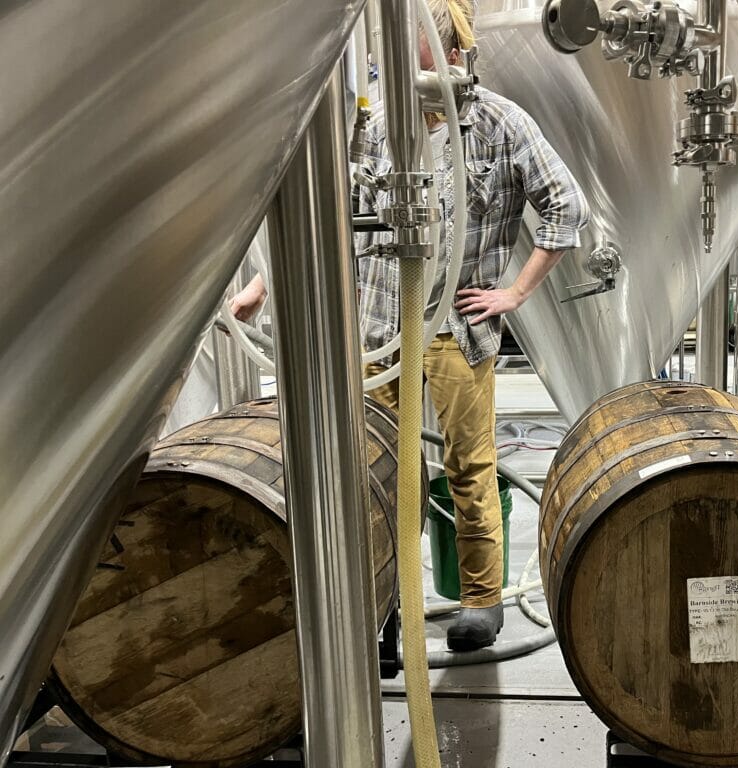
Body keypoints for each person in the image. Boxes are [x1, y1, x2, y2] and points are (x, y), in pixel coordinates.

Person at [233, 0, 589, 652]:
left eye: (410, 36)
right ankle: (384, 603)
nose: (395, 48)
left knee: (467, 464)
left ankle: (482, 601)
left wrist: (513, 293)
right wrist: (260, 286)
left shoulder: (499, 124)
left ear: (450, 43)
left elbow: (567, 208)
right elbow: (320, 211)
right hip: (377, 326)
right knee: (377, 473)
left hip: (457, 324)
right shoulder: (371, 127)